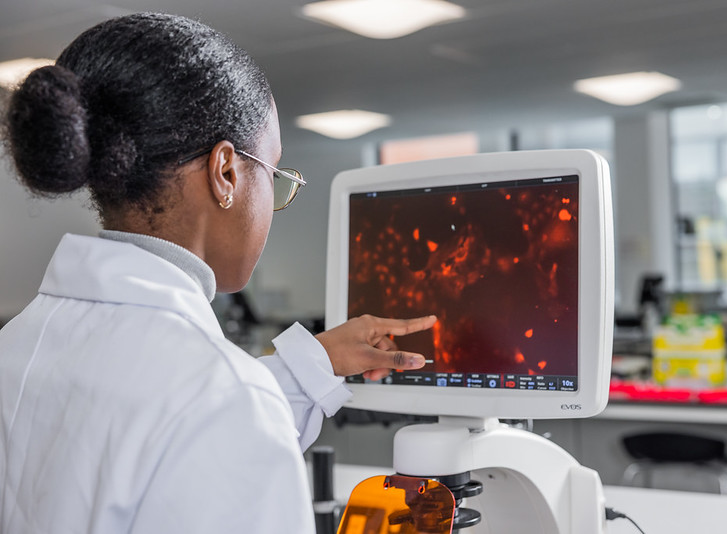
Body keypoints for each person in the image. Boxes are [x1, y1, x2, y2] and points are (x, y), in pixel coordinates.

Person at [0, 12, 436, 533]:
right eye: (273, 173)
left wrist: (312, 364)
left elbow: (148, 436)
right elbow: (206, 418)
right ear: (225, 172)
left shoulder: (17, 345)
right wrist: (249, 399)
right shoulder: (224, 399)